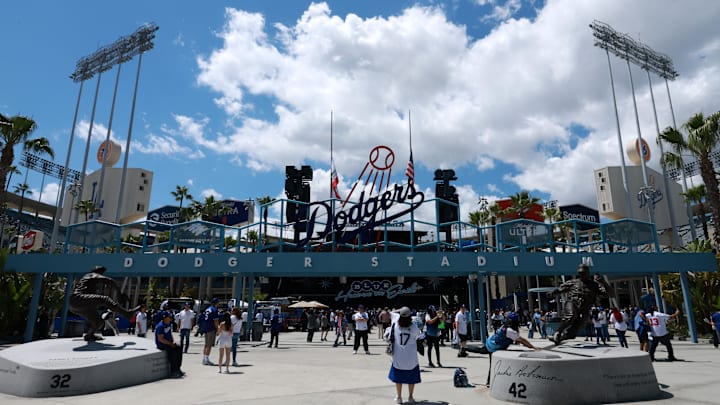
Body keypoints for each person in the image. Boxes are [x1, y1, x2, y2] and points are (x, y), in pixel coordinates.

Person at [68, 265, 141, 341]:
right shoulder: (91, 274)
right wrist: (120, 294)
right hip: (78, 299)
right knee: (105, 299)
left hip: (76, 304)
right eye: (101, 273)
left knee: (98, 322)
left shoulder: (86, 279)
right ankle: (127, 313)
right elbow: (110, 281)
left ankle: (89, 335)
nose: (102, 275)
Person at [548, 263, 612, 345]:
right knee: (570, 316)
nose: (582, 275)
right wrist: (552, 293)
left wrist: (604, 283)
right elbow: (560, 289)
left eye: (584, 273)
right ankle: (558, 332)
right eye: (581, 273)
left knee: (578, 326)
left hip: (585, 307)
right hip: (572, 303)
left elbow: (608, 294)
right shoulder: (573, 282)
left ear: (588, 273)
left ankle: (560, 337)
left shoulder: (594, 285)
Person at [476, 312, 539, 386]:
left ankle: (489, 381)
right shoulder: (510, 330)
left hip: (491, 342)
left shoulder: (505, 326)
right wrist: (533, 347)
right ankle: (489, 382)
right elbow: (522, 341)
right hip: (494, 346)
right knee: (494, 364)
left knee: (483, 353)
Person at [384, 306, 422, 404]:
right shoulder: (413, 327)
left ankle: (399, 397)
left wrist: (398, 310)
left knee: (398, 379)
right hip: (411, 358)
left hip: (398, 357)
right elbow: (418, 336)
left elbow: (390, 312)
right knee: (411, 379)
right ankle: (410, 397)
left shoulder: (395, 324)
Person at [155, 311, 184, 378]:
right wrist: (170, 344)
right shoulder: (160, 326)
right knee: (173, 353)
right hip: (162, 344)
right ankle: (173, 371)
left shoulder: (168, 324)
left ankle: (178, 368)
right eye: (169, 317)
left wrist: (173, 341)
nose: (170, 318)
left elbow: (170, 334)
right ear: (165, 318)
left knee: (179, 348)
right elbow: (160, 339)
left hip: (169, 343)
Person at [201, 298, 220, 366]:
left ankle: (204, 358)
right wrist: (218, 329)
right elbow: (216, 321)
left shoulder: (208, 309)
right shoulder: (214, 310)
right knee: (209, 344)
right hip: (211, 328)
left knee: (206, 344)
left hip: (206, 327)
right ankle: (206, 359)